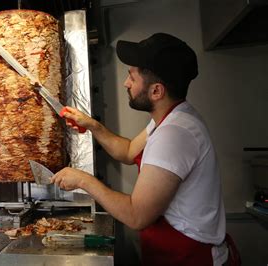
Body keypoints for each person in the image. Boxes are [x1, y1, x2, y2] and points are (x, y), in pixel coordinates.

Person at [51, 33, 239, 266]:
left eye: (132, 76)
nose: (126, 83)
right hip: (171, 253)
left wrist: (83, 180)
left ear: (156, 91)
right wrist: (92, 125)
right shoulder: (172, 117)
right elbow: (129, 151)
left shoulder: (174, 135)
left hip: (190, 258)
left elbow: (136, 215)